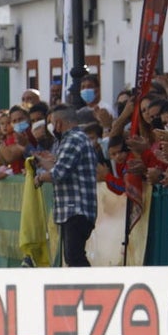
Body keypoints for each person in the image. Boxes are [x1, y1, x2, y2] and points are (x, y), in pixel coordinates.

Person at [34, 104, 99, 267]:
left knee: (74, 257)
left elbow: (58, 174)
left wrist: (40, 178)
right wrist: (42, 163)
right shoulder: (75, 139)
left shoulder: (73, 140)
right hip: (74, 209)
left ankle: (90, 289)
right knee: (73, 257)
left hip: (75, 209)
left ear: (58, 123)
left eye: (51, 123)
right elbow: (62, 168)